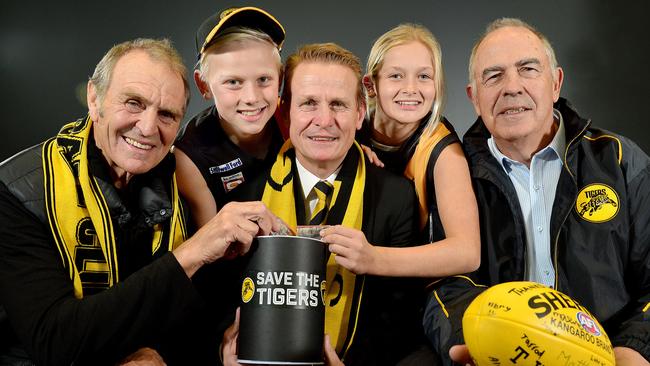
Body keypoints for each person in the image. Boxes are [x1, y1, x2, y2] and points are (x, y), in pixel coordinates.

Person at [0, 38, 281, 365]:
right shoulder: (17, 190)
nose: (148, 128)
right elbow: (53, 342)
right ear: (95, 98)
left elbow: (191, 321)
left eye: (166, 114)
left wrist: (219, 348)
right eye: (133, 103)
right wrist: (192, 252)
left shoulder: (183, 181)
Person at [423, 18, 650, 365]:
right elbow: (443, 285)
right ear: (474, 97)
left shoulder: (620, 161)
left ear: (555, 83)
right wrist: (467, 343)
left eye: (528, 69)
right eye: (493, 76)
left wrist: (631, 351)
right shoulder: (453, 174)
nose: (511, 87)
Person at [224, 42, 424, 365]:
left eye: (338, 105)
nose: (324, 120)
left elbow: (399, 321)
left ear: (360, 114)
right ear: (284, 113)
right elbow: (220, 303)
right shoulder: (245, 195)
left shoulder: (396, 197)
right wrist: (225, 346)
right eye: (308, 103)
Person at [344, 23, 479, 278]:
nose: (411, 88)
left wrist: (374, 259)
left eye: (424, 76)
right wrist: (347, 149)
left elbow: (467, 252)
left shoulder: (443, 150)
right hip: (347, 276)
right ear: (371, 85)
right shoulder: (349, 129)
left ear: (437, 85)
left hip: (413, 287)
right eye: (396, 76)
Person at [174, 6, 286, 228]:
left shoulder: (296, 119)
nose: (252, 97)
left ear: (280, 79)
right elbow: (210, 245)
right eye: (233, 82)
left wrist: (356, 149)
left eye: (264, 79)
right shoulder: (190, 155)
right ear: (203, 85)